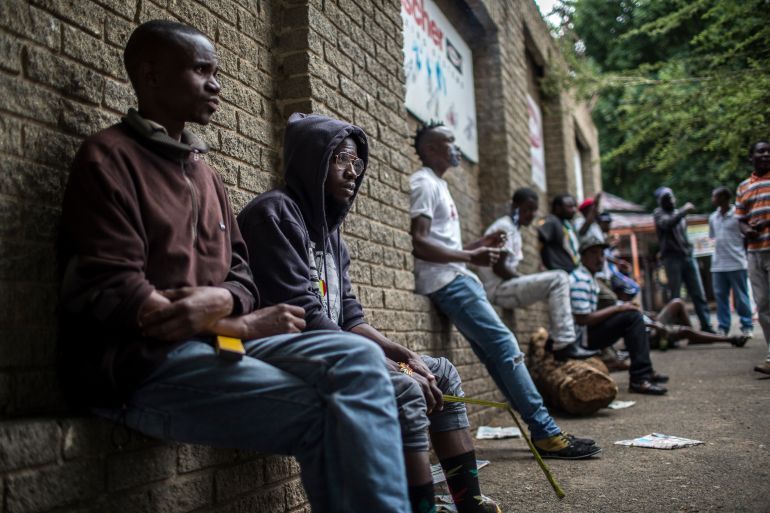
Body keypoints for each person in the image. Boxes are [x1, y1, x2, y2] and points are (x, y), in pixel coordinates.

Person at [57, 21, 411, 513]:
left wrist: (225, 305)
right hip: (142, 369)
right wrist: (238, 322)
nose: (216, 83)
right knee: (327, 415)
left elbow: (241, 276)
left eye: (217, 72)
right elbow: (122, 294)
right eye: (201, 70)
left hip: (216, 345)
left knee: (359, 358)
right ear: (151, 76)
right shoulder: (108, 158)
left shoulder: (207, 174)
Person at [237, 113, 500, 513]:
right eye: (341, 158)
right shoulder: (274, 215)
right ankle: (422, 508)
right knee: (408, 387)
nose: (352, 172)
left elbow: (350, 317)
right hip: (289, 352)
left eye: (357, 164)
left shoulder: (334, 239)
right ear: (314, 159)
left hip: (337, 349)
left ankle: (469, 503)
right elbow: (304, 316)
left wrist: (402, 355)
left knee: (439, 371)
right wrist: (392, 368)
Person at [409, 122, 600, 460]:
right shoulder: (424, 182)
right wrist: (471, 256)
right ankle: (546, 432)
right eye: (450, 141)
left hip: (457, 276)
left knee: (497, 355)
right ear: (434, 148)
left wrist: (479, 245)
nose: (456, 147)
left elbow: (441, 244)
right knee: (505, 344)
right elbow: (420, 243)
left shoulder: (439, 185)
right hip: (448, 282)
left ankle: (543, 431)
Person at [477, 187, 599, 360]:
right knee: (559, 278)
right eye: (526, 209)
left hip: (506, 288)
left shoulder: (514, 228)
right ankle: (564, 343)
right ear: (514, 206)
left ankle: (555, 342)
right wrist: (523, 279)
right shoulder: (504, 227)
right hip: (497, 290)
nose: (531, 214)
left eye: (534, 210)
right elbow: (499, 268)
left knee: (557, 285)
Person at [569, 234, 669, 395]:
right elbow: (583, 319)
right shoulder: (580, 280)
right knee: (631, 317)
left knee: (632, 315)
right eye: (593, 253)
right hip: (580, 341)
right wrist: (619, 309)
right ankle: (639, 378)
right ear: (583, 256)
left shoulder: (590, 278)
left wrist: (626, 308)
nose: (599, 259)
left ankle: (645, 372)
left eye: (601, 254)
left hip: (587, 334)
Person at [653, 187, 715, 333]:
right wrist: (683, 211)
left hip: (687, 257)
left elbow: (683, 236)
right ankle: (677, 329)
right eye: (666, 198)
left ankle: (706, 326)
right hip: (672, 259)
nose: (671, 201)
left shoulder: (678, 214)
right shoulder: (659, 214)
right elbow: (667, 224)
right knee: (675, 296)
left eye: (671, 197)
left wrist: (690, 252)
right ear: (660, 202)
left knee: (698, 293)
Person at [736, 140, 770, 375]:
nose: (766, 154)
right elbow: (740, 218)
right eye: (761, 151)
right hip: (755, 252)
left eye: (769, 151)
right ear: (751, 157)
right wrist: (746, 230)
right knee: (764, 305)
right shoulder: (744, 187)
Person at [709, 186, 754, 337]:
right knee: (721, 298)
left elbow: (746, 236)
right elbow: (712, 238)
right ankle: (723, 328)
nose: (712, 199)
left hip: (737, 263)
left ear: (724, 198)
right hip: (718, 265)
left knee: (741, 297)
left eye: (715, 196)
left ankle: (747, 326)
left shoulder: (738, 215)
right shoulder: (712, 218)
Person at [538, 194, 581, 273]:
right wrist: (541, 263)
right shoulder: (552, 221)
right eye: (570, 207)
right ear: (558, 208)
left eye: (575, 206)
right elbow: (539, 238)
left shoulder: (566, 225)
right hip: (558, 271)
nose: (574, 210)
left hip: (570, 272)